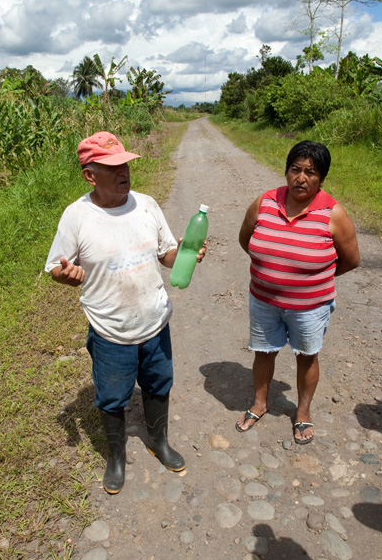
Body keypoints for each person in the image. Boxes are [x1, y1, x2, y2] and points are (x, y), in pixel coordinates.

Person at [45, 131, 205, 495]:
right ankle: (116, 458)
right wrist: (66, 276)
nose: (124, 172)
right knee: (113, 397)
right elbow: (56, 266)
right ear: (90, 175)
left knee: (158, 383)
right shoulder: (77, 216)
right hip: (111, 331)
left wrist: (185, 253)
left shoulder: (146, 205)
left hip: (155, 322)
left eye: (126, 164)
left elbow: (166, 255)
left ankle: (158, 442)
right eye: (113, 167)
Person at [235, 140, 360, 444]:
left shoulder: (333, 213)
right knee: (263, 351)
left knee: (306, 356)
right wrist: (270, 268)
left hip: (310, 307)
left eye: (310, 172)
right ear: (286, 171)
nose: (301, 178)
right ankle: (260, 403)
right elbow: (245, 239)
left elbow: (351, 260)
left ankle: (302, 412)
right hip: (263, 300)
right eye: (295, 169)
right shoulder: (265, 201)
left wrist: (314, 279)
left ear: (321, 178)